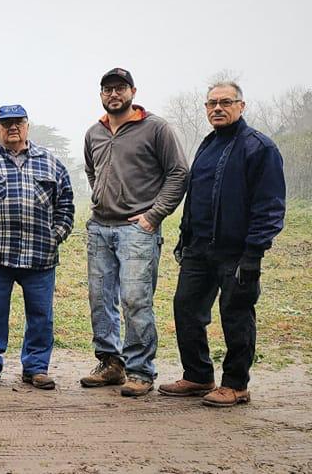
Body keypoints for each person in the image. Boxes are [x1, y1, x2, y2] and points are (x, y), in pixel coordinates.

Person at [159, 81, 285, 407]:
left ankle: (236, 384)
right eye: (212, 103)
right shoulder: (207, 145)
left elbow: (270, 206)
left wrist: (254, 253)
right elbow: (196, 197)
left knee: (237, 315)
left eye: (226, 102)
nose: (217, 108)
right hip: (199, 249)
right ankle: (198, 376)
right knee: (186, 309)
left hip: (237, 252)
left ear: (241, 106)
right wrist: (185, 238)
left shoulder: (259, 148)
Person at [81, 68, 188, 397]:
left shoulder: (156, 128)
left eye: (120, 88)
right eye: (107, 89)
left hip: (136, 230)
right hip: (100, 228)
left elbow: (179, 173)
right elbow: (91, 170)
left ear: (133, 91)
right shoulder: (94, 133)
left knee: (135, 301)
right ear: (101, 94)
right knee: (100, 300)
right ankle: (111, 364)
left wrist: (154, 215)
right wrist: (101, 198)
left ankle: (141, 370)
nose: (114, 94)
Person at [0, 105, 75, 389]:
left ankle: (36, 368)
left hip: (40, 257)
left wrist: (55, 235)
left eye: (17, 123)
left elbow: (67, 205)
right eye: (6, 123)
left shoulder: (51, 163)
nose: (12, 128)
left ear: (27, 126)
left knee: (41, 317)